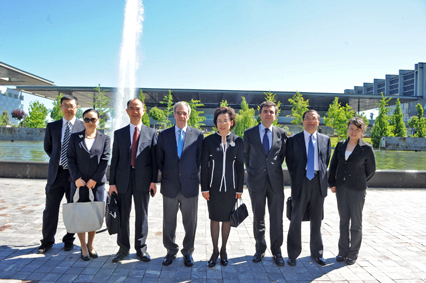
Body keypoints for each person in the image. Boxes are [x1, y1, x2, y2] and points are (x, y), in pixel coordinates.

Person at [109, 98, 158, 263]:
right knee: (123, 215)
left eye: (138, 108)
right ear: (127, 111)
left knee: (141, 215)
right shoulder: (119, 133)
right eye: (132, 108)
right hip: (123, 180)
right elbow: (114, 160)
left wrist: (153, 181)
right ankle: (123, 248)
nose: (135, 111)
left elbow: (154, 161)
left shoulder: (151, 133)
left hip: (143, 181)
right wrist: (112, 183)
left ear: (143, 111)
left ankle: (141, 248)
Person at [157, 101, 204, 267]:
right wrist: (169, 175)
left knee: (190, 222)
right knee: (169, 222)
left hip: (189, 186)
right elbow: (159, 159)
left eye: (184, 113)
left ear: (188, 115)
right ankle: (170, 250)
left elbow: (200, 160)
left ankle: (188, 251)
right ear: (174, 114)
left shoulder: (198, 135)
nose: (181, 116)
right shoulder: (163, 135)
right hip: (169, 186)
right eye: (178, 112)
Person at [37, 95, 85, 254]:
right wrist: (60, 160)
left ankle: (69, 239)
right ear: (61, 107)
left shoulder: (83, 126)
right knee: (50, 209)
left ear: (77, 108)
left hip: (74, 175)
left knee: (73, 208)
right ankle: (47, 241)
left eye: (71, 106)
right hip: (56, 174)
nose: (68, 109)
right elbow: (48, 148)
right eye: (65, 105)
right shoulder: (52, 126)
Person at [243, 101, 287, 266]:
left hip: (275, 182)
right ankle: (260, 249)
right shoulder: (249, 133)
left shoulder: (282, 134)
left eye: (271, 112)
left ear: (275, 115)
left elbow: (281, 155)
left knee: (277, 218)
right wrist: (254, 170)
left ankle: (277, 251)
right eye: (265, 111)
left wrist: (272, 169)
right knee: (258, 218)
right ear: (260, 114)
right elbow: (245, 155)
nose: (268, 114)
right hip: (256, 182)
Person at [328, 117, 376, 265]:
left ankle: (353, 253)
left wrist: (359, 181)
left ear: (362, 131)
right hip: (341, 188)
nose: (353, 132)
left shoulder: (366, 148)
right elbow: (333, 165)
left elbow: (371, 170)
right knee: (343, 221)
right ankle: (342, 251)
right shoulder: (341, 145)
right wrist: (332, 183)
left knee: (356, 222)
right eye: (351, 128)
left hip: (357, 189)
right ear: (348, 129)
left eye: (357, 129)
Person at [286, 109, 331, 266]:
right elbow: (290, 163)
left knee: (317, 220)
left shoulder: (326, 139)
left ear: (318, 122)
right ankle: (292, 254)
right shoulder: (293, 140)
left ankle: (317, 253)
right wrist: (298, 179)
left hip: (318, 183)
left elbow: (326, 161)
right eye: (307, 118)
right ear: (303, 121)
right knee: (295, 219)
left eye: (314, 118)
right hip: (301, 182)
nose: (311, 121)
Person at [201, 107, 244, 267]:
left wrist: (239, 189)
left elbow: (240, 166)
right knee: (214, 218)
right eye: (219, 121)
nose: (222, 124)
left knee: (227, 219)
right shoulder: (209, 141)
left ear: (231, 122)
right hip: (213, 188)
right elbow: (204, 166)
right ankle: (214, 251)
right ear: (215, 123)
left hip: (231, 188)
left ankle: (224, 249)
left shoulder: (238, 141)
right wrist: (204, 188)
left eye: (225, 120)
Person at [67, 109, 110, 261]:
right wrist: (77, 177)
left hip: (96, 184)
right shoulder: (74, 138)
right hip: (78, 183)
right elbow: (70, 158)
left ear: (98, 120)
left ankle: (90, 244)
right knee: (79, 214)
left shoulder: (105, 138)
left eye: (93, 119)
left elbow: (105, 160)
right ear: (83, 121)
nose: (90, 122)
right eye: (87, 119)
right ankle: (83, 246)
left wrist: (95, 179)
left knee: (93, 215)